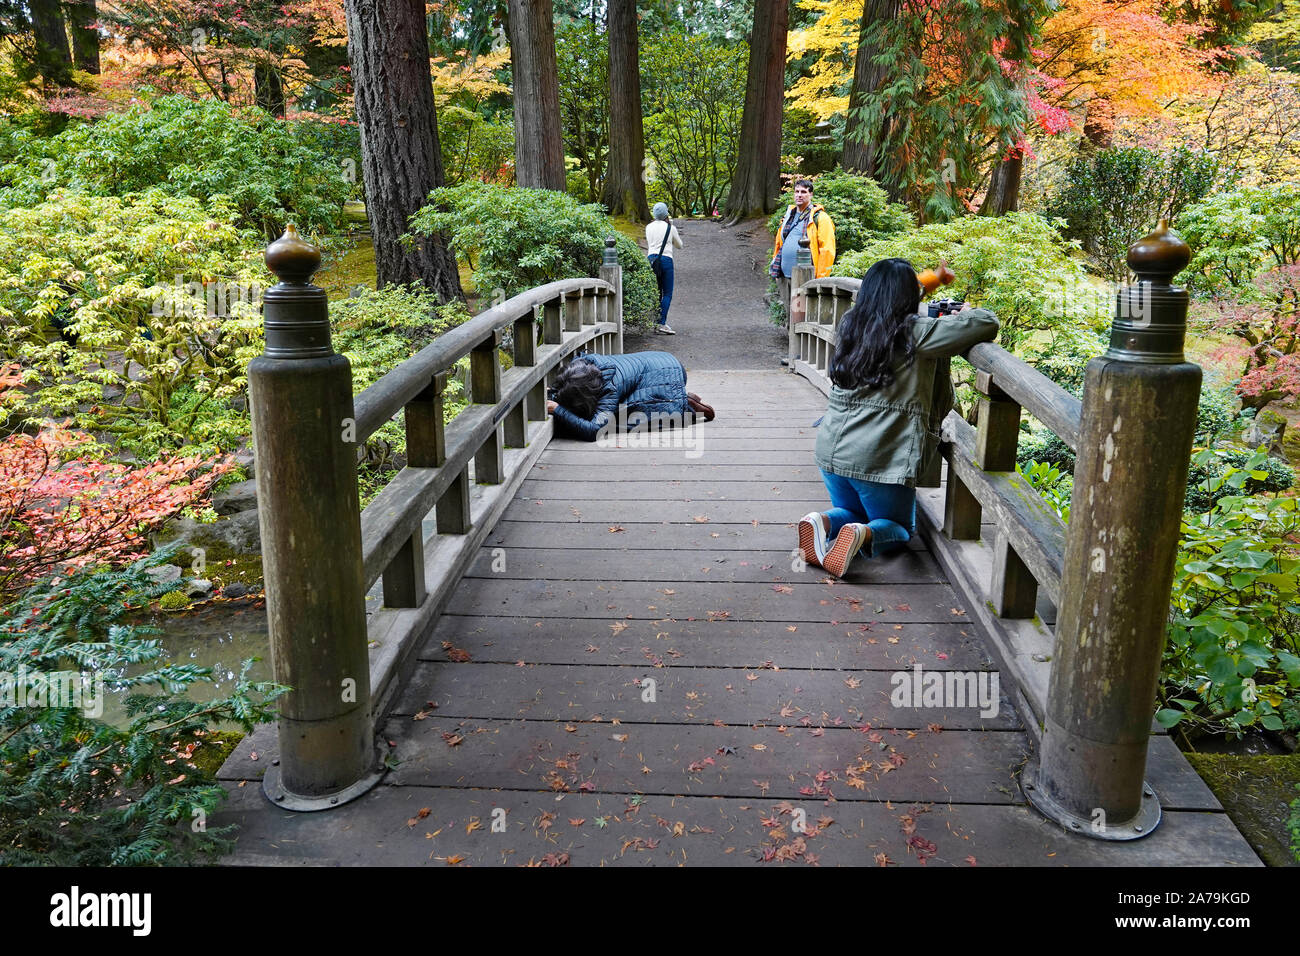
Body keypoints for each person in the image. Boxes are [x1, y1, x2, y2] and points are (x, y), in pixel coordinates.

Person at [797, 258, 999, 578]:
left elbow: (891, 297)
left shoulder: (852, 323)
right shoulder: (916, 332)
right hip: (878, 459)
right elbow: (986, 322)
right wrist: (964, 314)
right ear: (909, 298)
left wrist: (933, 280)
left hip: (831, 452)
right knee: (902, 527)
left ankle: (819, 522)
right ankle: (864, 535)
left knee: (851, 511)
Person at [546, 351, 714, 442]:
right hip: (661, 359)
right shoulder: (584, 367)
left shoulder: (609, 388)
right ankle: (680, 396)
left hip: (669, 373)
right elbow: (568, 387)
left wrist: (558, 409)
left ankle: (686, 405)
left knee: (622, 420)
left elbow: (594, 431)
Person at [770, 179, 836, 322]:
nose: (799, 195)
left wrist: (820, 279)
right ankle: (791, 343)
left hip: (804, 277)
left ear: (811, 194)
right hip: (784, 275)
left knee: (801, 317)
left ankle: (800, 344)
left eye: (804, 192)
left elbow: (827, 249)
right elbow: (779, 243)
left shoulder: (820, 218)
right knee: (790, 315)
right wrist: (775, 265)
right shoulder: (789, 216)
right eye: (797, 191)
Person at [645, 203, 683, 334]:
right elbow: (680, 245)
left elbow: (651, 243)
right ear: (666, 213)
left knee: (657, 293)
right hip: (666, 259)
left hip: (651, 260)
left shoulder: (648, 227)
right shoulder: (670, 228)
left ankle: (655, 321)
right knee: (667, 293)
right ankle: (661, 323)